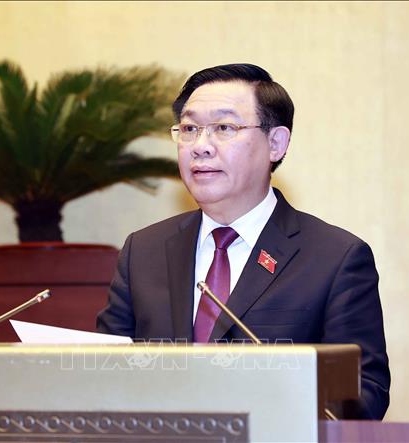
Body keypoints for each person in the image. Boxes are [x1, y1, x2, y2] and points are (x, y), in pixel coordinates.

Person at [96, 63, 390, 419]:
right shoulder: (143, 251)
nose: (200, 146)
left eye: (224, 128)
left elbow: (364, 395)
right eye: (189, 129)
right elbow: (104, 376)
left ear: (276, 143)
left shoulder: (335, 258)